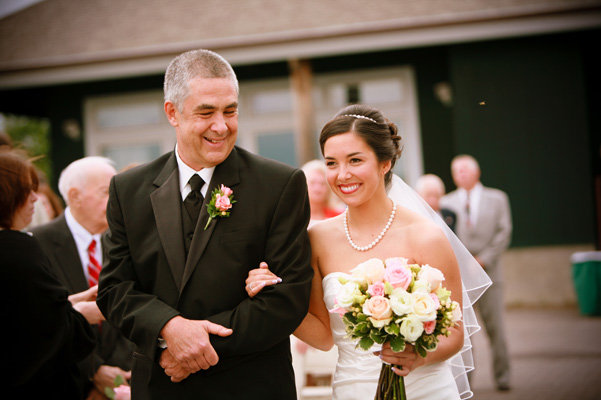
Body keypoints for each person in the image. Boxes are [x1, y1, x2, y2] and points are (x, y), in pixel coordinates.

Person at [96, 49, 313, 399]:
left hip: (250, 385)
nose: (221, 126)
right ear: (173, 113)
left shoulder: (280, 184)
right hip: (160, 386)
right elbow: (115, 289)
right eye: (206, 112)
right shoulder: (128, 189)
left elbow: (287, 296)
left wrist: (194, 348)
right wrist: (169, 328)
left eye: (230, 110)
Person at [246, 104, 491, 399]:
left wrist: (417, 356)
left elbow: (454, 334)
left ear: (384, 162)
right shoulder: (317, 239)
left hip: (425, 390)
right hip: (352, 388)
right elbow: (323, 337)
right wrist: (275, 297)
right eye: (332, 163)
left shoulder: (425, 236)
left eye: (355, 160)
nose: (342, 174)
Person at [32, 156, 134, 399]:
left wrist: (121, 375)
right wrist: (94, 371)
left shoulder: (124, 239)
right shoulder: (37, 244)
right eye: (105, 192)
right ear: (75, 196)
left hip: (126, 378)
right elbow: (40, 322)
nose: (115, 201)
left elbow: (132, 305)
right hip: (66, 382)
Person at [0, 148, 96, 398]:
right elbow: (50, 336)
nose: (35, 198)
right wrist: (82, 315)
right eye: (26, 190)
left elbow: (23, 314)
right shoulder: (18, 250)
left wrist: (67, 304)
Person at [441, 154, 512, 391]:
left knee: (496, 329)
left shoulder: (498, 198)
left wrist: (484, 259)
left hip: (490, 273)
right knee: (463, 332)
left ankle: (503, 378)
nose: (461, 174)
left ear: (477, 172)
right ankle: (465, 383)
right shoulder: (447, 202)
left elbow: (504, 232)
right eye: (457, 171)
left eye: (465, 170)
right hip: (459, 277)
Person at [301, 159, 343, 226]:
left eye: (322, 184)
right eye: (312, 183)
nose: (317, 188)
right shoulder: (294, 217)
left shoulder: (339, 217)